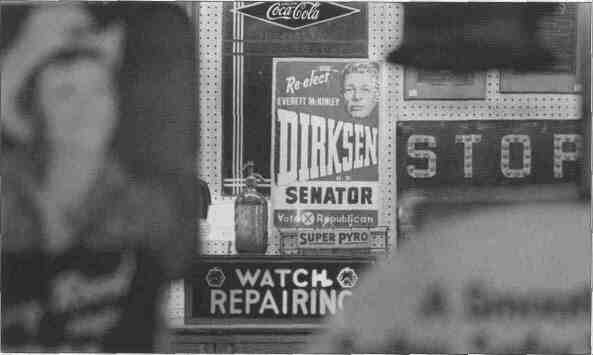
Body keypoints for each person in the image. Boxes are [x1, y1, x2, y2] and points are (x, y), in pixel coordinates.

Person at [2, 3, 198, 352]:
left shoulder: (149, 206)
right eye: (65, 93)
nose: (86, 110)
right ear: (36, 109)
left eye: (98, 90)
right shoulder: (9, 191)